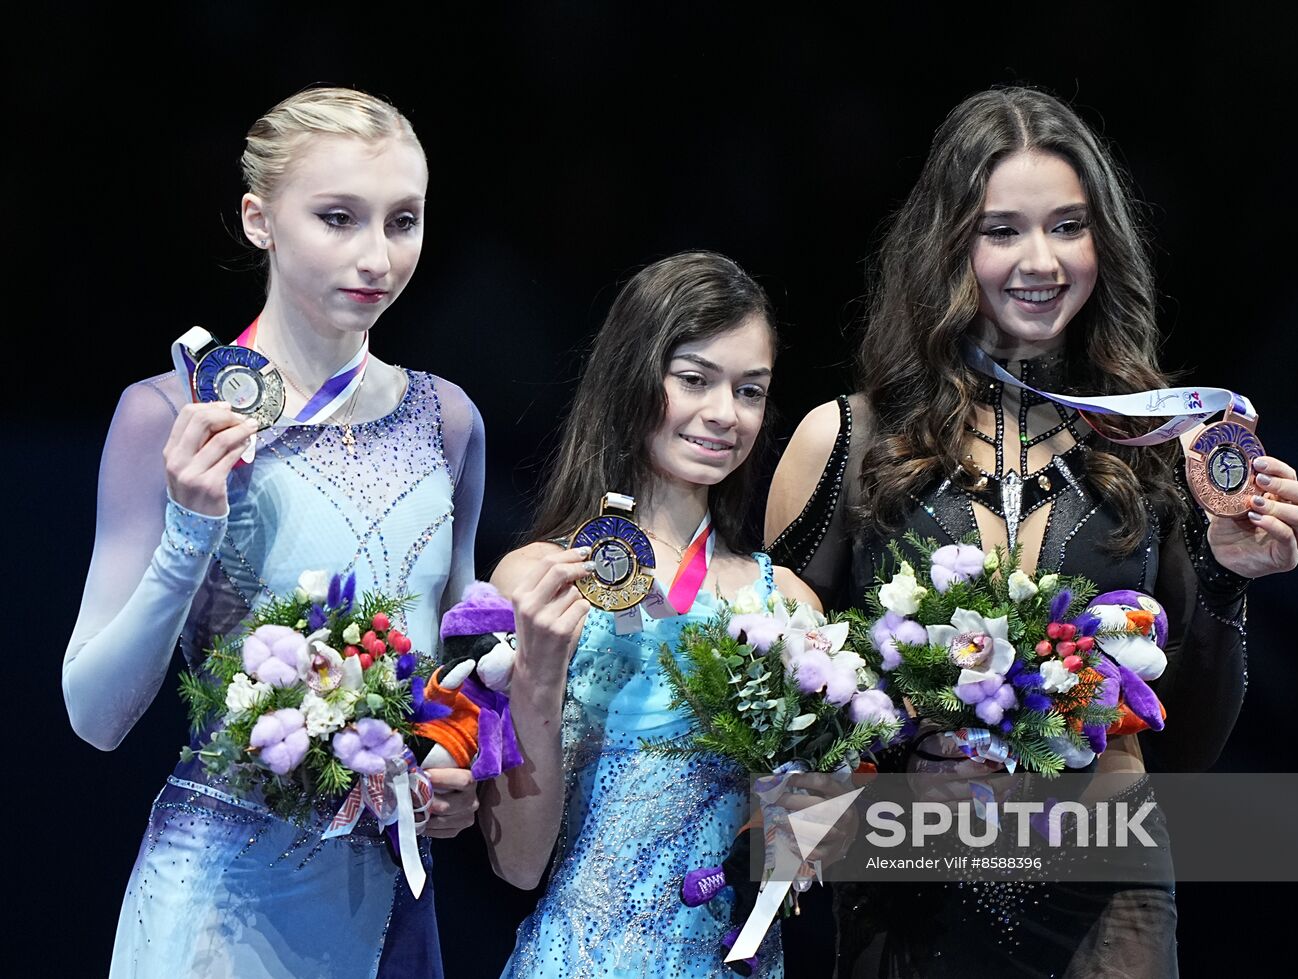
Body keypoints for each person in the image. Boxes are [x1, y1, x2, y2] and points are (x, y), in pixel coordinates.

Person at [765, 87, 1298, 977]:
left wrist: (1225, 580)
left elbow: (1186, 749)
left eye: (1068, 225)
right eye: (1002, 230)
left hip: (1109, 901)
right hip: (911, 897)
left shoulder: (1155, 448)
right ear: (948, 244)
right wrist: (900, 771)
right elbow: (776, 726)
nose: (1041, 260)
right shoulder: (847, 441)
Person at [62, 87, 484, 979]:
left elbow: (458, 663)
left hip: (389, 894)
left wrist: (460, 766)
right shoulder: (166, 413)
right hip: (219, 910)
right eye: (338, 218)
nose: (377, 255)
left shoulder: (447, 420)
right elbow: (94, 716)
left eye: (402, 221)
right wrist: (190, 530)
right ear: (260, 220)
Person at [484, 251, 818, 978]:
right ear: (633, 375)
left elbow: (804, 856)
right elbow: (516, 863)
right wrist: (537, 676)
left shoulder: (789, 604)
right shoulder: (541, 578)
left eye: (750, 390)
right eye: (694, 379)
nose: (725, 414)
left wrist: (816, 812)